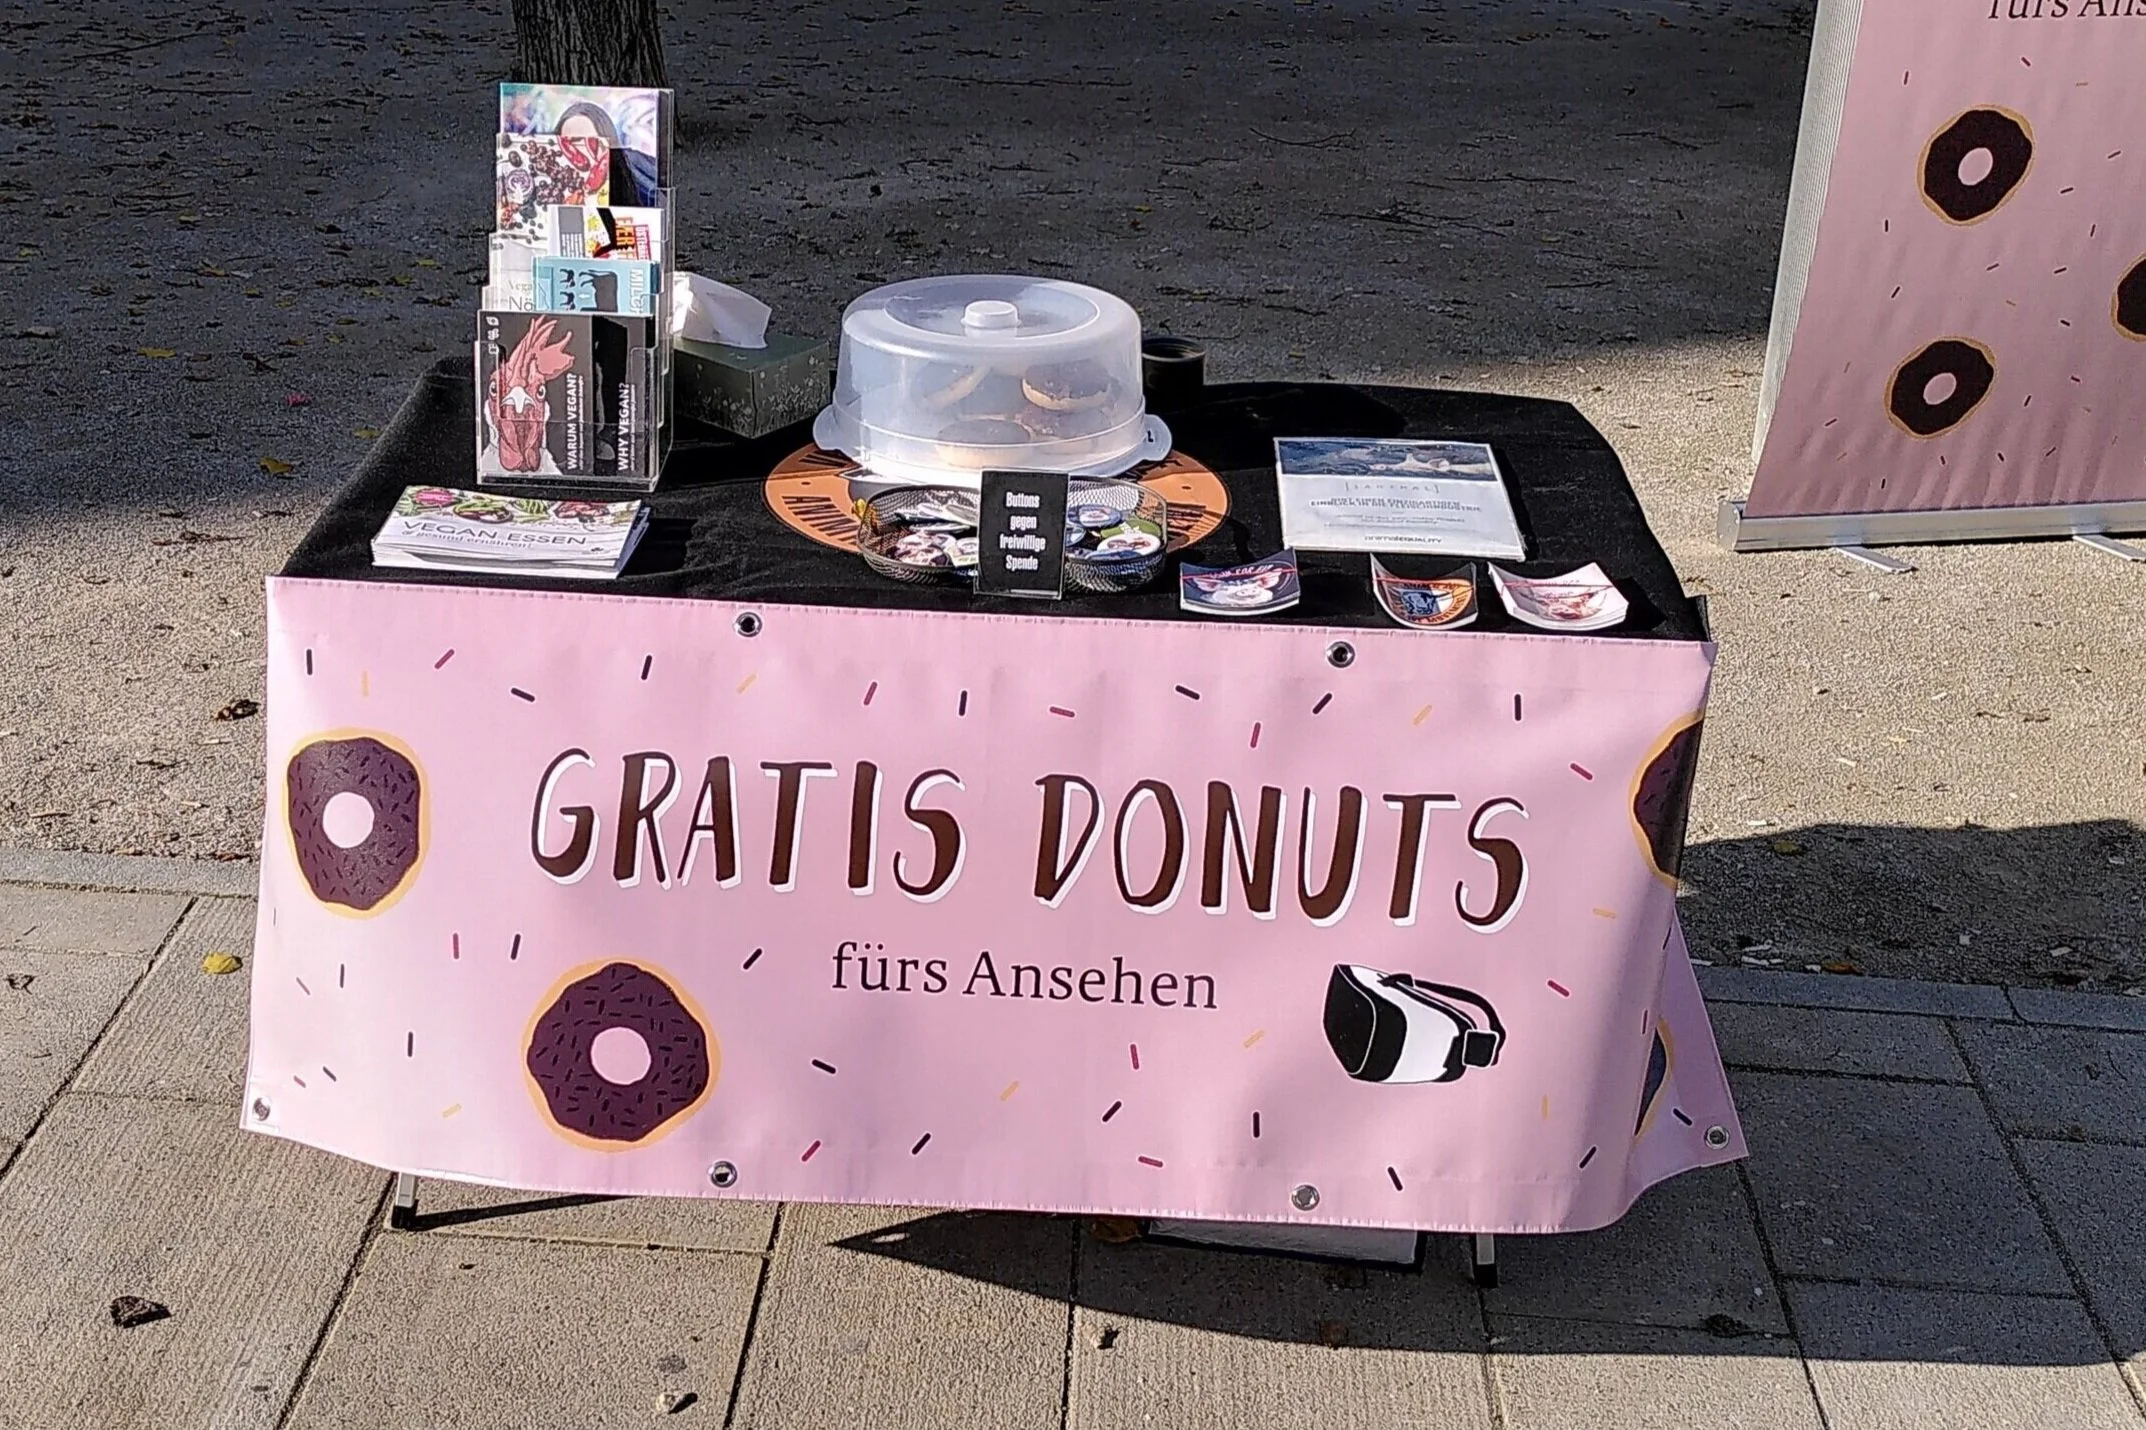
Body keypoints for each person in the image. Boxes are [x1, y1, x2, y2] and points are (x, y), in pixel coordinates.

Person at [556, 101, 660, 207]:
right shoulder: (558, 188)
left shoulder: (638, 181)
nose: (581, 149)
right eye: (572, 142)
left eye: (592, 141)